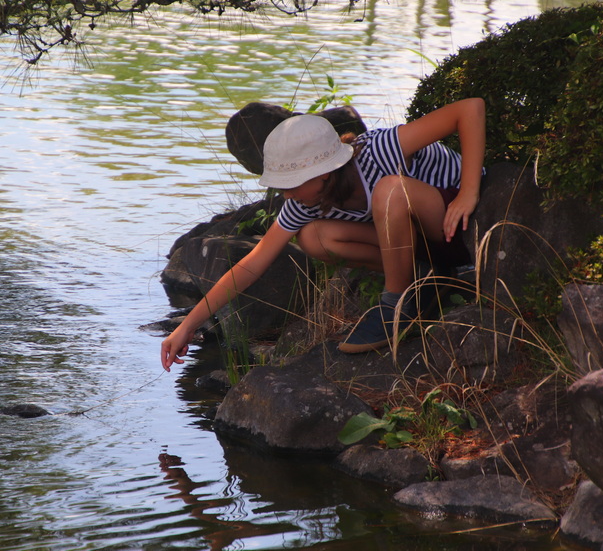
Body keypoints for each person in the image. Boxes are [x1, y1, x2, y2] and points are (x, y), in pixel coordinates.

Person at [160, 98, 486, 371]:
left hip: (461, 225)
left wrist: (468, 192)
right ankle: (425, 278)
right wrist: (187, 326)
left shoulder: (379, 150)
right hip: (428, 247)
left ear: (325, 173)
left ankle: (395, 308)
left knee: (390, 190)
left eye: (292, 183)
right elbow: (252, 263)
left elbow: (469, 108)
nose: (286, 194)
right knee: (313, 237)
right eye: (281, 186)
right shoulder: (306, 201)